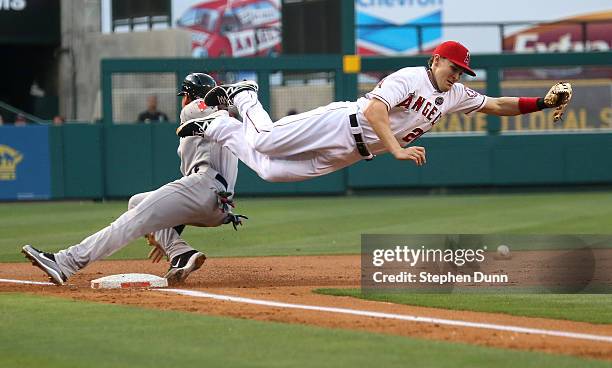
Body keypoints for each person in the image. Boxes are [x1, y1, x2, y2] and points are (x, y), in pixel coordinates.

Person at [177, 41, 572, 182]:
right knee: (265, 138)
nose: (458, 75)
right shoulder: (409, 77)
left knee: (270, 170)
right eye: (454, 68)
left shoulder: (454, 94)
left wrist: (543, 101)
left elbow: (498, 103)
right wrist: (397, 150)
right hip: (339, 124)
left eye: (462, 71)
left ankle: (215, 128)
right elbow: (376, 113)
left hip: (351, 152)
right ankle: (246, 94)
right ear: (436, 61)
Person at [22, 73, 246, 286]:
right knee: (137, 201)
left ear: (189, 95)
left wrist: (220, 99)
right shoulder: (229, 124)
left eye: (185, 96)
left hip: (203, 187)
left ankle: (64, 262)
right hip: (219, 206)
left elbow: (205, 106)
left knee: (131, 221)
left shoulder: (194, 109)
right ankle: (180, 253)